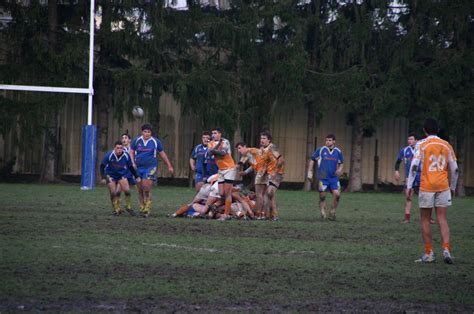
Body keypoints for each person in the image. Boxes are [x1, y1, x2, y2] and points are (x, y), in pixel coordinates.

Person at [407, 118, 458, 264]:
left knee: (425, 219)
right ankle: (446, 250)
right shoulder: (446, 145)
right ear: (438, 130)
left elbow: (414, 165)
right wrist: (452, 187)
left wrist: (409, 186)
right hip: (443, 186)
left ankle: (429, 253)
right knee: (442, 218)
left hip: (427, 186)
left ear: (424, 131)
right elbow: (454, 169)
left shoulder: (421, 144)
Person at [129, 123, 174, 217]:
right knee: (139, 188)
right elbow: (131, 151)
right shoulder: (137, 140)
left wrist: (169, 166)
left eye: (149, 132)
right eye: (145, 132)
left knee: (146, 187)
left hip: (150, 168)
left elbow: (162, 154)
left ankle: (147, 208)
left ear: (151, 133)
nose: (147, 134)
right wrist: (132, 162)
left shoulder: (155, 141)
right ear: (142, 132)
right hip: (138, 168)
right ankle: (142, 206)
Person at [307, 134, 344, 220]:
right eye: (326, 140)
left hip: (333, 177)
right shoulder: (321, 150)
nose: (328, 142)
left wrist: (340, 169)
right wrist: (309, 171)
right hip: (322, 176)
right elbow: (312, 160)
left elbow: (341, 162)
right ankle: (322, 213)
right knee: (322, 196)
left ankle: (332, 211)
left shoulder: (338, 151)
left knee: (337, 195)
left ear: (334, 141)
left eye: (330, 140)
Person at [100, 141, 141, 216]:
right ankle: (116, 209)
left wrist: (136, 176)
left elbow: (130, 167)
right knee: (113, 193)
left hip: (121, 175)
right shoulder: (109, 155)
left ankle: (128, 207)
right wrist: (103, 177)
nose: (119, 150)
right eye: (117, 148)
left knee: (127, 191)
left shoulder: (126, 155)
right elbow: (102, 166)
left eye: (121, 148)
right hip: (110, 175)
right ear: (114, 148)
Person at [207, 127, 237, 220]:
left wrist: (213, 150)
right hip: (221, 170)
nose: (213, 135)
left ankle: (226, 214)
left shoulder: (225, 141)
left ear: (220, 134)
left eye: (215, 133)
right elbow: (209, 154)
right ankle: (227, 205)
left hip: (229, 168)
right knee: (221, 193)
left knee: (227, 193)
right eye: (212, 133)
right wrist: (216, 146)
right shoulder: (211, 143)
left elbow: (223, 153)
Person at [236, 142, 267, 219]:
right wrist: (245, 172)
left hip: (262, 173)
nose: (239, 151)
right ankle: (263, 214)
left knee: (259, 194)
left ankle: (259, 214)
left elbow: (240, 163)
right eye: (237, 149)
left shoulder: (251, 151)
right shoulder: (249, 155)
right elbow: (254, 165)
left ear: (245, 146)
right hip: (265, 172)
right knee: (263, 194)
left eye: (240, 148)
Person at [394, 134, 422, 223]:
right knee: (408, 197)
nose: (409, 140)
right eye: (408, 139)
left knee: (425, 197)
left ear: (416, 140)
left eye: (411, 139)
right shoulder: (405, 150)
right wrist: (396, 171)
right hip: (409, 176)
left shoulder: (422, 150)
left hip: (421, 175)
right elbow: (398, 161)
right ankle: (407, 218)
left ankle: (429, 218)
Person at [260, 131, 285, 221]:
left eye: (264, 138)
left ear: (269, 140)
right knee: (268, 194)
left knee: (270, 192)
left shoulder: (272, 148)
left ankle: (275, 215)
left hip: (277, 173)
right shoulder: (263, 149)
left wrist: (275, 171)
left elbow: (281, 160)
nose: (262, 140)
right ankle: (269, 214)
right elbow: (266, 162)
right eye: (261, 138)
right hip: (269, 173)